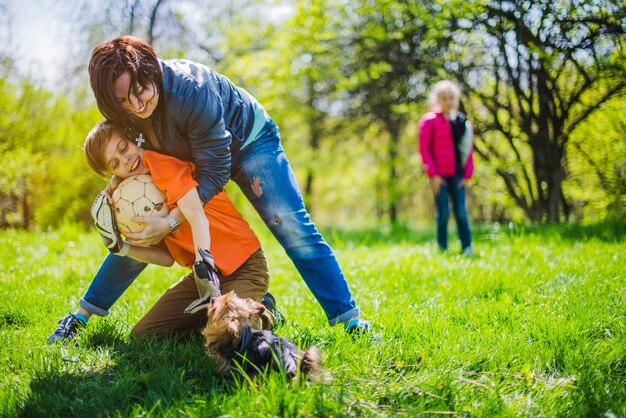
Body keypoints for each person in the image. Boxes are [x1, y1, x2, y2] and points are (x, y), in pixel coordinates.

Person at [52, 35, 376, 341]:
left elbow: (215, 171)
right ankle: (83, 313)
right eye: (124, 100)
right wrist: (120, 184)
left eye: (142, 90)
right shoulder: (124, 111)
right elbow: (130, 152)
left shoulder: (192, 91)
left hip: (248, 142)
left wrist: (171, 221)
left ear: (151, 70)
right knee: (141, 212)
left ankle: (349, 320)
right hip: (193, 153)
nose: (137, 105)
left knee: (289, 224)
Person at [49, 121, 273, 342]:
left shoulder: (160, 164)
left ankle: (262, 311)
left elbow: (196, 215)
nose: (126, 160)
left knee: (231, 336)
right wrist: (122, 247)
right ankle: (221, 313)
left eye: (124, 148)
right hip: (203, 280)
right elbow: (166, 258)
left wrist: (201, 262)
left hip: (243, 266)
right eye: (115, 164)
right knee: (144, 335)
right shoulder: (140, 197)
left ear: (134, 137)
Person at [418, 80, 474, 255]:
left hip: (456, 174)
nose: (448, 102)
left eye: (451, 98)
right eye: (444, 98)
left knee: (461, 211)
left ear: (456, 99)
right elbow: (424, 149)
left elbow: (467, 149)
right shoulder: (429, 121)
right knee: (443, 212)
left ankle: (467, 247)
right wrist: (433, 175)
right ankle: (442, 247)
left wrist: (466, 175)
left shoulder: (461, 122)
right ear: (437, 100)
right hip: (438, 176)